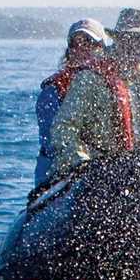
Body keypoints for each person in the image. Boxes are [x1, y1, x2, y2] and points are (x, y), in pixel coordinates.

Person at [44, 8, 140, 181]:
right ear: (120, 40)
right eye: (134, 40)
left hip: (129, 170)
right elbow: (63, 128)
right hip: (91, 172)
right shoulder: (90, 77)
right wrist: (83, 165)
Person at [35, 18, 107, 186]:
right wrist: (84, 165)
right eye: (76, 43)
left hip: (102, 167)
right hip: (58, 172)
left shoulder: (114, 84)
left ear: (102, 48)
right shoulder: (52, 91)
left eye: (89, 42)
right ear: (69, 50)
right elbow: (52, 142)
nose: (81, 49)